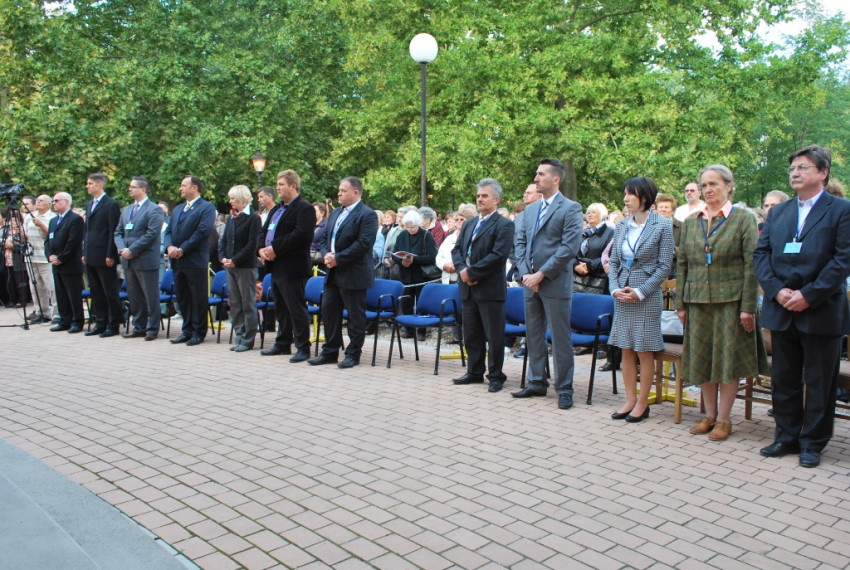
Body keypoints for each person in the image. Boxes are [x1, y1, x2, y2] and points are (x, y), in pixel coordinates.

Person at [754, 145, 850, 468]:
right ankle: (786, 436)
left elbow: (842, 260)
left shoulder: (842, 210)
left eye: (803, 167)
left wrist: (809, 295)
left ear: (823, 173)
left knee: (820, 382)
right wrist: (777, 290)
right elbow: (761, 255)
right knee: (784, 378)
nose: (795, 173)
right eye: (793, 168)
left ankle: (813, 443)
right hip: (782, 308)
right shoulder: (779, 212)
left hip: (820, 309)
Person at [677, 164, 764, 441]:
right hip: (697, 300)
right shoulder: (691, 221)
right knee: (702, 358)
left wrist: (748, 307)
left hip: (731, 301)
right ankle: (709, 416)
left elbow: (751, 265)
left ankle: (724, 420)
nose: (708, 189)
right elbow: (682, 265)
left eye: (714, 184)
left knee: (727, 362)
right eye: (704, 185)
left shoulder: (743, 219)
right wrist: (680, 304)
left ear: (729, 186)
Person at [512, 158, 583, 410]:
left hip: (554, 283)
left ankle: (564, 388)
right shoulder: (531, 210)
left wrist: (541, 275)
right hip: (529, 283)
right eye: (536, 174)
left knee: (560, 338)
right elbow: (520, 244)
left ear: (556, 179)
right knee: (533, 335)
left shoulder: (571, 208)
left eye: (541, 174)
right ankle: (536, 381)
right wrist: (525, 274)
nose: (536, 178)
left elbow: (568, 248)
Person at [608, 178, 675, 423]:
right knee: (625, 348)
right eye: (625, 194)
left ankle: (643, 402)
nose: (625, 199)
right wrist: (614, 289)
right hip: (622, 294)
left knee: (643, 350)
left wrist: (640, 291)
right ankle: (630, 399)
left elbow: (664, 266)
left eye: (630, 194)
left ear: (644, 198)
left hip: (646, 296)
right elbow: (614, 261)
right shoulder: (622, 225)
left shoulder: (662, 225)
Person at [451, 179, 514, 392]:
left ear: (496, 199)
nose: (480, 199)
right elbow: (457, 250)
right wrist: (463, 270)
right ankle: (474, 372)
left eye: (485, 196)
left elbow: (498, 255)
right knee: (471, 334)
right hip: (468, 289)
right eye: (478, 195)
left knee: (493, 336)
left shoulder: (504, 225)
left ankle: (495, 375)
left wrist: (472, 272)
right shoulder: (469, 224)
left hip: (489, 289)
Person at [309, 176, 377, 368]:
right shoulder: (336, 213)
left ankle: (353, 354)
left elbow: (363, 243)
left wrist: (338, 257)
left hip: (354, 273)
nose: (338, 193)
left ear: (355, 192)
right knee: (329, 312)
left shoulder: (367, 214)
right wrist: (326, 255)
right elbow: (324, 238)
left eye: (343, 190)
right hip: (333, 272)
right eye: (339, 190)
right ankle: (330, 351)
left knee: (355, 316)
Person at [257, 170, 315, 362]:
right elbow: (263, 231)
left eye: (281, 184)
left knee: (296, 308)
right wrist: (261, 249)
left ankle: (303, 347)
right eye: (277, 184)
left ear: (293, 186)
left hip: (293, 267)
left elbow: (301, 235)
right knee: (280, 307)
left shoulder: (304, 208)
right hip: (275, 266)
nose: (278, 188)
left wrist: (275, 248)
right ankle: (282, 343)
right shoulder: (276, 209)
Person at [165, 175, 217, 346]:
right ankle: (186, 330)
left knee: (198, 296)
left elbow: (203, 231)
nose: (180, 188)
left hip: (194, 260)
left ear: (194, 187)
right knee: (183, 296)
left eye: (183, 185)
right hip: (177, 261)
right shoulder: (178, 209)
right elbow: (168, 231)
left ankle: (198, 331)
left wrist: (183, 249)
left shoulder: (206, 207)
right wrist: (169, 247)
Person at [115, 177, 165, 340]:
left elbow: (152, 234)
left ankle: (152, 328)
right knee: (134, 296)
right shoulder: (127, 210)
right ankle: (139, 326)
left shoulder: (154, 209)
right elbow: (118, 232)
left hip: (145, 259)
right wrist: (122, 249)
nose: (130, 189)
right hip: (128, 260)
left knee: (150, 296)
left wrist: (133, 249)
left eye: (133, 187)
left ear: (143, 189)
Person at [219, 185, 261, 352]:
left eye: (233, 198)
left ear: (243, 199)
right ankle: (239, 335)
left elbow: (252, 244)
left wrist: (235, 260)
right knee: (235, 303)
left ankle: (248, 339)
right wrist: (223, 257)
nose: (230, 201)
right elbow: (224, 240)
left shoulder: (253, 218)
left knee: (247, 303)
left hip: (245, 266)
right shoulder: (232, 217)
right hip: (230, 266)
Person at [82, 173, 122, 337]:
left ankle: (113, 324)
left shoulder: (111, 204)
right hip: (91, 253)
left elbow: (113, 230)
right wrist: (84, 252)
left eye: (90, 183)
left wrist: (110, 254)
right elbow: (87, 230)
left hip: (104, 254)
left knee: (109, 292)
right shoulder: (89, 204)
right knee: (96, 291)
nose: (87, 186)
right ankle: (100, 322)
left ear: (99, 185)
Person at [391, 209, 438, 341]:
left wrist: (414, 260)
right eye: (408, 227)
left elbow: (432, 256)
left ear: (418, 224)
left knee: (421, 304)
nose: (410, 230)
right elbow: (394, 254)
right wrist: (401, 261)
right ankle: (409, 329)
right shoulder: (402, 235)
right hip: (406, 275)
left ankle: (421, 331)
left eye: (413, 227)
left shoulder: (426, 236)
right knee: (406, 302)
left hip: (421, 276)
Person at [46, 192, 85, 333]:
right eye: (53, 201)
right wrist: (49, 256)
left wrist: (61, 258)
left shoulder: (75, 219)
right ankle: (64, 320)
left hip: (70, 264)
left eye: (57, 200)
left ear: (67, 201)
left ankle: (77, 321)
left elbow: (73, 242)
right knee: (61, 294)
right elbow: (47, 241)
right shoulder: (53, 221)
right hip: (56, 264)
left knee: (73, 294)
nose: (54, 203)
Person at [22, 195, 56, 323]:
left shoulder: (52, 217)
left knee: (51, 286)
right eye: (37, 200)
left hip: (45, 256)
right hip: (31, 256)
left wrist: (41, 225)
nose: (38, 202)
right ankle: (41, 312)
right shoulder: (29, 217)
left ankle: (56, 314)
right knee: (35, 287)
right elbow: (25, 235)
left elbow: (52, 236)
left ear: (49, 204)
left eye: (41, 201)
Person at [573, 203, 613, 295]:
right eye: (588, 212)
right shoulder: (581, 232)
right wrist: (575, 265)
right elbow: (570, 252)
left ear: (602, 214)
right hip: (576, 281)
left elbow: (610, 256)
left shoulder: (610, 233)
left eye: (594, 212)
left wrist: (589, 265)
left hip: (598, 281)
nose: (590, 215)